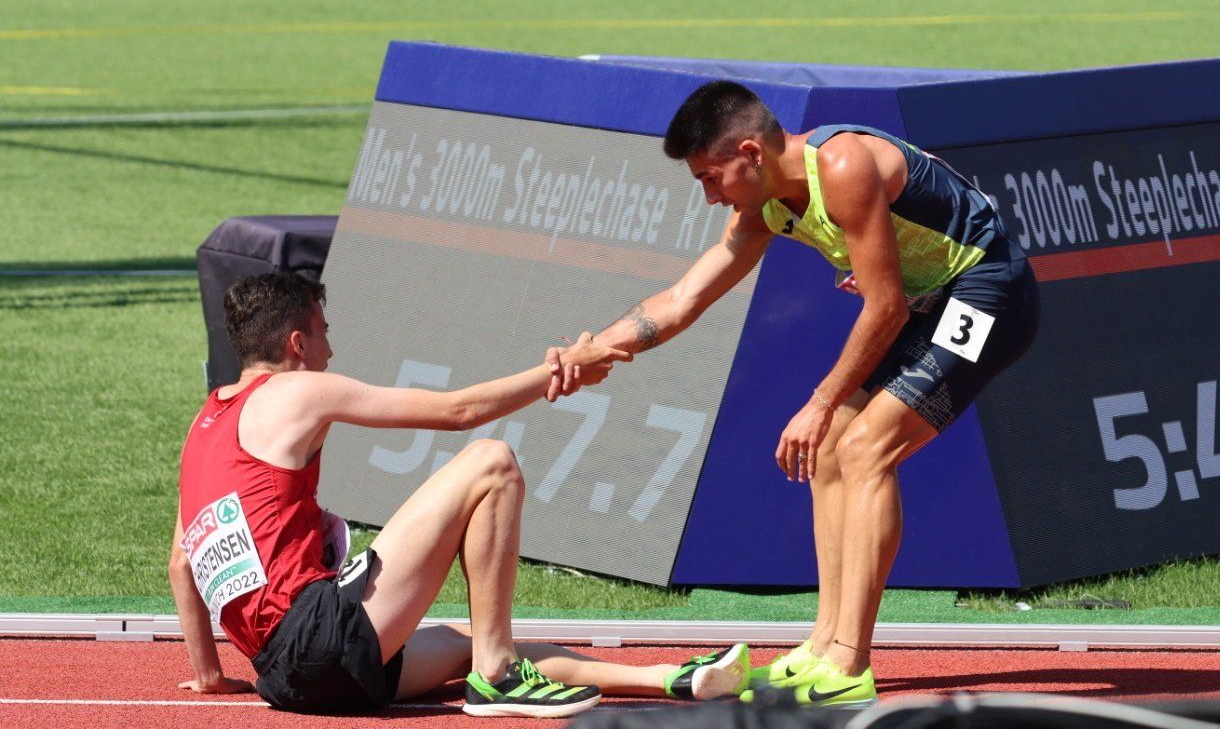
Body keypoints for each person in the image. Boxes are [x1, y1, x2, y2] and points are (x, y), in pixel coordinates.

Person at [579, 81, 1039, 708]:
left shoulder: (843, 166)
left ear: (750, 152)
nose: (711, 196)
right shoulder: (766, 205)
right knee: (829, 453)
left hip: (990, 292)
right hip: (929, 301)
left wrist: (821, 399)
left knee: (866, 449)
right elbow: (685, 299)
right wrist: (599, 348)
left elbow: (884, 306)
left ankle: (850, 662)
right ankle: (824, 644)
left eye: (712, 178)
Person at [169, 270, 749, 718]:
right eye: (324, 332)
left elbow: (182, 561)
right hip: (318, 637)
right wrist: (564, 368)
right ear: (296, 342)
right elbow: (459, 412)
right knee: (491, 463)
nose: (330, 349)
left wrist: (210, 674)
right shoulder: (297, 392)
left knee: (470, 634)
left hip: (286, 678)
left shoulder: (202, 429)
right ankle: (497, 679)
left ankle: (669, 677)